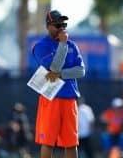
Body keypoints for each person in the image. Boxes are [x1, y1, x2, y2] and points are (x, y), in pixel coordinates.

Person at [32, 10, 85, 158]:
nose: (61, 28)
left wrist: (61, 74)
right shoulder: (41, 46)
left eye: (63, 24)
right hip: (51, 97)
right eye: (57, 25)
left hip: (70, 98)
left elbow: (81, 71)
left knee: (71, 142)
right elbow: (53, 68)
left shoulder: (72, 45)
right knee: (48, 141)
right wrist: (62, 45)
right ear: (48, 26)